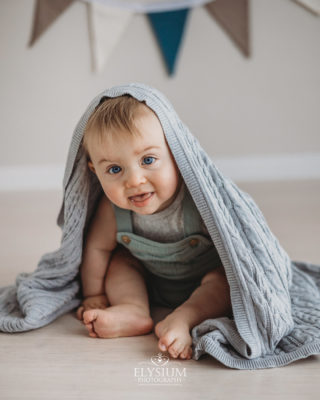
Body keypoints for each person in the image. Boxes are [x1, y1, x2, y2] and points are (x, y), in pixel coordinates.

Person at [76, 94, 232, 360]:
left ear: (175, 153)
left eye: (148, 160)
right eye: (114, 169)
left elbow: (236, 247)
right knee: (120, 262)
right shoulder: (111, 209)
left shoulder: (199, 203)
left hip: (201, 282)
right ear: (94, 171)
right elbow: (97, 249)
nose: (134, 180)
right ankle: (132, 308)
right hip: (149, 280)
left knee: (222, 282)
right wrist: (95, 293)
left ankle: (183, 318)